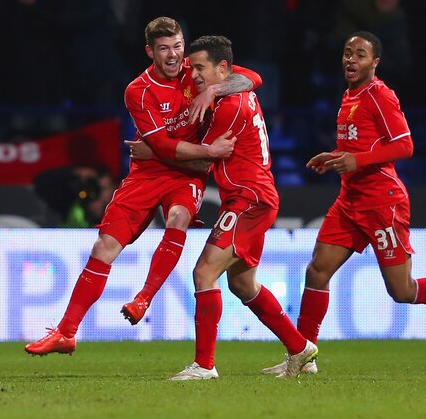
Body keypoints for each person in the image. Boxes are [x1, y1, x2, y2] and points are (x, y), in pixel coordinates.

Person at [262, 32, 426, 376]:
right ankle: (302, 356)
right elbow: (359, 148)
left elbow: (404, 146)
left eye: (360, 54)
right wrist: (335, 158)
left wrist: (358, 162)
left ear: (375, 63)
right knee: (317, 270)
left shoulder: (380, 96)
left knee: (402, 290)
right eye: (347, 53)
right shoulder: (348, 96)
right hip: (350, 200)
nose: (351, 60)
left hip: (382, 202)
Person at [24, 17, 261, 356]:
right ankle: (66, 332)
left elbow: (252, 78)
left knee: (179, 217)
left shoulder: (196, 74)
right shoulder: (138, 91)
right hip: (146, 174)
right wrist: (208, 151)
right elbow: (162, 148)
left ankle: (144, 298)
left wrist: (213, 88)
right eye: (164, 49)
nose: (174, 56)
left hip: (185, 175)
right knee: (103, 247)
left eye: (178, 46)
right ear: (150, 51)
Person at [133, 36, 318, 380]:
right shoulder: (236, 95)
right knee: (243, 285)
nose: (196, 76)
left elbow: (204, 163)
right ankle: (300, 349)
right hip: (253, 195)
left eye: (201, 68)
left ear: (222, 68)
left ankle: (204, 366)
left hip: (250, 198)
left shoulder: (229, 107)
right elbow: (250, 80)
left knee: (204, 272)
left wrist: (154, 151)